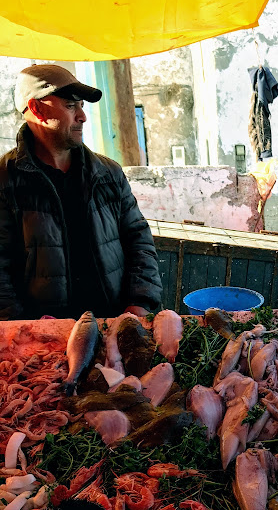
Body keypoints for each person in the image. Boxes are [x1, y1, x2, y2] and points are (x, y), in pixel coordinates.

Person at [0, 64, 163, 320]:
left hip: (114, 321)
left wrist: (138, 304)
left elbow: (139, 241)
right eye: (70, 105)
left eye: (82, 106)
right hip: (45, 335)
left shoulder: (108, 173)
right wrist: (22, 325)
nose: (82, 116)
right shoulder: (5, 179)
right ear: (37, 109)